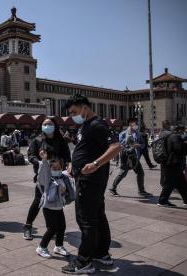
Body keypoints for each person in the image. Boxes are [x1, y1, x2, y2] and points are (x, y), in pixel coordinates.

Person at [62, 94, 121, 274]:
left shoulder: (96, 124)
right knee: (98, 216)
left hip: (90, 181)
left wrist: (95, 164)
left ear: (85, 108)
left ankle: (83, 261)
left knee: (86, 220)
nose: (72, 116)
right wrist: (74, 163)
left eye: (74, 111)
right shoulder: (84, 126)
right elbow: (85, 149)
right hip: (86, 179)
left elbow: (116, 147)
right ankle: (101, 253)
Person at [23, 117, 71, 240]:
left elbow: (67, 155)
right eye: (45, 124)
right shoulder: (37, 140)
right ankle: (28, 226)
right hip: (43, 177)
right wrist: (39, 162)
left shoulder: (60, 140)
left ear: (54, 125)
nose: (47, 126)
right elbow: (31, 155)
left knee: (55, 201)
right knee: (38, 200)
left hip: (58, 176)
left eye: (50, 124)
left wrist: (67, 164)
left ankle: (53, 228)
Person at [35, 156, 74, 259]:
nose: (57, 170)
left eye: (59, 168)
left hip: (59, 208)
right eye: (54, 168)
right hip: (48, 208)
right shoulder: (48, 178)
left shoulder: (63, 177)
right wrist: (44, 161)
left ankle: (59, 246)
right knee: (52, 229)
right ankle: (41, 247)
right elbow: (42, 175)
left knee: (62, 227)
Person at [157, 121, 187, 207]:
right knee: (169, 183)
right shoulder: (175, 137)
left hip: (170, 163)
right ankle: (162, 201)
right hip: (173, 163)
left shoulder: (168, 136)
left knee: (182, 183)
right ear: (180, 130)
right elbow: (178, 149)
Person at [109, 118, 153, 197]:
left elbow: (143, 144)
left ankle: (141, 191)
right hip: (126, 157)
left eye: (137, 123)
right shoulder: (123, 134)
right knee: (123, 173)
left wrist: (139, 145)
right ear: (130, 124)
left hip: (135, 157)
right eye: (135, 123)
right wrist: (130, 144)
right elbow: (120, 145)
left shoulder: (138, 134)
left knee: (140, 173)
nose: (136, 125)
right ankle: (113, 188)